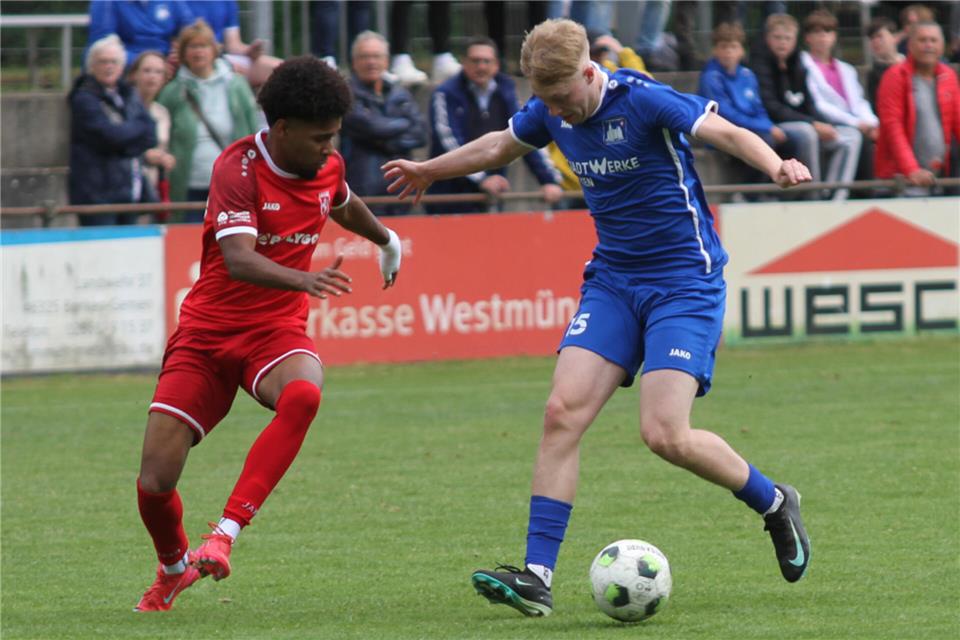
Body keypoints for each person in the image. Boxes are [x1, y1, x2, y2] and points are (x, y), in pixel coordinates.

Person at [383, 18, 812, 618]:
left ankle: (774, 502)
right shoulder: (550, 108)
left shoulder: (643, 99)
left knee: (665, 435)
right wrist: (431, 169)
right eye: (546, 101)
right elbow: (499, 145)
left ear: (590, 72)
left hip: (683, 283)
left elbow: (725, 131)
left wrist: (776, 164)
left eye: (562, 98)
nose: (557, 112)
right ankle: (536, 576)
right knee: (561, 413)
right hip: (612, 282)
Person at [133, 55, 403, 612]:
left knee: (304, 394)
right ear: (281, 129)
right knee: (155, 483)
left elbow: (342, 201)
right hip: (208, 335)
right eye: (319, 138)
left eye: (334, 136)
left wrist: (386, 239)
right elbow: (238, 258)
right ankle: (173, 568)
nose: (329, 148)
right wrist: (306, 278)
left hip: (274, 331)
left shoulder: (327, 163)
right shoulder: (237, 169)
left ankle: (224, 535)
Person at [427, 36, 562, 214]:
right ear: (464, 63)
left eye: (486, 61)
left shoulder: (506, 89)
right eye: (475, 61)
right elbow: (448, 142)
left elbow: (524, 133)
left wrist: (549, 180)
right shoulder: (446, 93)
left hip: (493, 192)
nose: (481, 66)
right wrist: (482, 179)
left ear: (496, 65)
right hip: (450, 195)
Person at [157, 19, 259, 221]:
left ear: (214, 50)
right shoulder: (172, 92)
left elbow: (253, 130)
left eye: (203, 45)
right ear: (183, 53)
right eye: (192, 46)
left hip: (231, 183)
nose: (198, 52)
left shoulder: (237, 85)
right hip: (188, 185)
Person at [751, 13, 861, 200]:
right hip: (776, 126)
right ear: (768, 38)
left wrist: (823, 124)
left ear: (795, 40)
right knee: (807, 132)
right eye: (777, 38)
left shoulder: (799, 65)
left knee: (851, 135)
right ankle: (813, 193)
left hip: (803, 122)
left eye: (787, 38)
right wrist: (813, 124)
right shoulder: (760, 66)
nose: (782, 43)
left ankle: (836, 196)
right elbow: (772, 107)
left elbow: (809, 104)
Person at [68, 35, 158, 226]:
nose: (109, 66)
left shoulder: (128, 93)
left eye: (114, 62)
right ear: (91, 66)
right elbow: (109, 136)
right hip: (96, 193)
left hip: (128, 189)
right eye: (103, 62)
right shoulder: (83, 98)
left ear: (122, 66)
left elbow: (150, 134)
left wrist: (125, 139)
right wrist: (133, 134)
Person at [342, 31, 427, 216]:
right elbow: (372, 127)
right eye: (364, 56)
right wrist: (404, 124)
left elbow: (421, 133)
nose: (371, 62)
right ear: (354, 62)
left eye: (376, 56)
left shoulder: (400, 93)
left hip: (401, 189)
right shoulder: (345, 94)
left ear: (386, 61)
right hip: (361, 189)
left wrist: (384, 139)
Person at [698, 22, 789, 193]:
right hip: (724, 132)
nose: (728, 52)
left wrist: (769, 125)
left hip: (752, 128)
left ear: (741, 50)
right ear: (715, 50)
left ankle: (784, 192)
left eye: (733, 47)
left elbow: (759, 108)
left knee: (792, 138)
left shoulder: (748, 75)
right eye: (723, 47)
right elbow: (726, 114)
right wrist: (767, 127)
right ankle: (750, 193)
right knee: (766, 140)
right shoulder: (710, 77)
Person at [876, 21, 960, 194]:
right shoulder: (895, 76)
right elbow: (892, 127)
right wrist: (911, 170)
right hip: (900, 180)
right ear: (910, 45)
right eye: (922, 40)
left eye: (933, 40)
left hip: (938, 176)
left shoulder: (948, 75)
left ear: (942, 45)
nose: (928, 45)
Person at [799, 9, 877, 196]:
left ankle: (870, 193)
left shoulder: (847, 69)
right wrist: (857, 123)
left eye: (827, 31)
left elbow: (859, 102)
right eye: (817, 32)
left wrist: (872, 123)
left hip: (853, 124)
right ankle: (834, 196)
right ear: (807, 37)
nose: (822, 37)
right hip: (824, 124)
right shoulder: (803, 65)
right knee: (852, 138)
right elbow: (819, 104)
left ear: (834, 36)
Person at [129, 50, 177, 218]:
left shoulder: (162, 112)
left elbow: (163, 146)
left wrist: (166, 158)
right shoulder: (124, 107)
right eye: (147, 70)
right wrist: (145, 156)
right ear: (134, 75)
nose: (152, 76)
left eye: (158, 72)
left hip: (153, 187)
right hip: (128, 187)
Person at [87, 0, 195, 65]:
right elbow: (103, 46)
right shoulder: (106, 2)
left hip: (167, 64)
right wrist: (152, 63)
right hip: (128, 68)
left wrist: (179, 52)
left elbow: (193, 31)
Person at [865, 17, 905, 111]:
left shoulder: (911, 65)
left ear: (895, 37)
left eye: (879, 36)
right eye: (871, 38)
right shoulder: (874, 74)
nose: (875, 41)